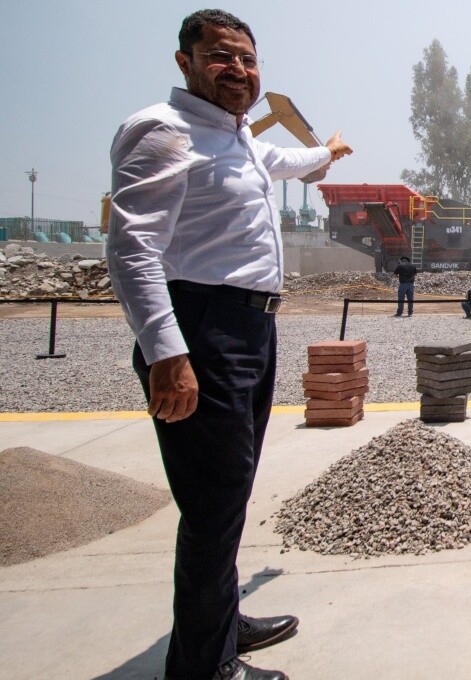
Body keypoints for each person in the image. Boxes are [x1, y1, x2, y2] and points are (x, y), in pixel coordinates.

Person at [106, 9, 352, 680]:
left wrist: (327, 153)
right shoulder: (164, 132)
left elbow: (288, 161)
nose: (239, 71)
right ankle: (203, 667)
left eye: (247, 59)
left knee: (229, 493)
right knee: (213, 503)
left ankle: (219, 622)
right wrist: (167, 352)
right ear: (185, 62)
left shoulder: (239, 138)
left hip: (248, 329)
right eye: (221, 57)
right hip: (202, 330)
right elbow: (131, 249)